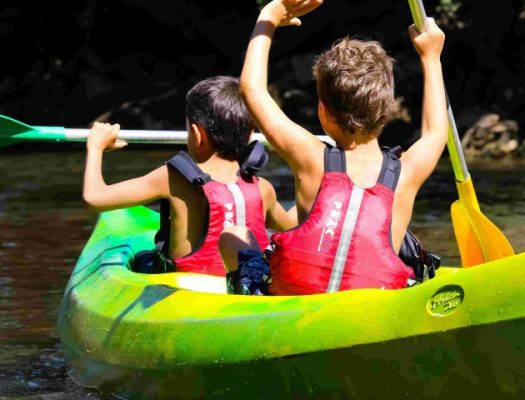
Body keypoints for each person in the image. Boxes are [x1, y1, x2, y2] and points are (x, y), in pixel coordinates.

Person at [221, 0, 447, 295]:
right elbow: (435, 132)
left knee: (233, 236)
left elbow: (251, 90)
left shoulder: (309, 157)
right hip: (366, 313)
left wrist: (268, 17)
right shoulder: (407, 173)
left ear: (322, 112)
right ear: (387, 112)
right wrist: (431, 57)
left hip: (295, 304)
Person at [83, 75, 295, 277]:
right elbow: (292, 227)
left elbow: (94, 198)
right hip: (243, 294)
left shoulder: (174, 178)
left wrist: (95, 146)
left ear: (197, 134)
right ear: (250, 135)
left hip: (191, 295)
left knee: (145, 260)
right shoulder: (262, 188)